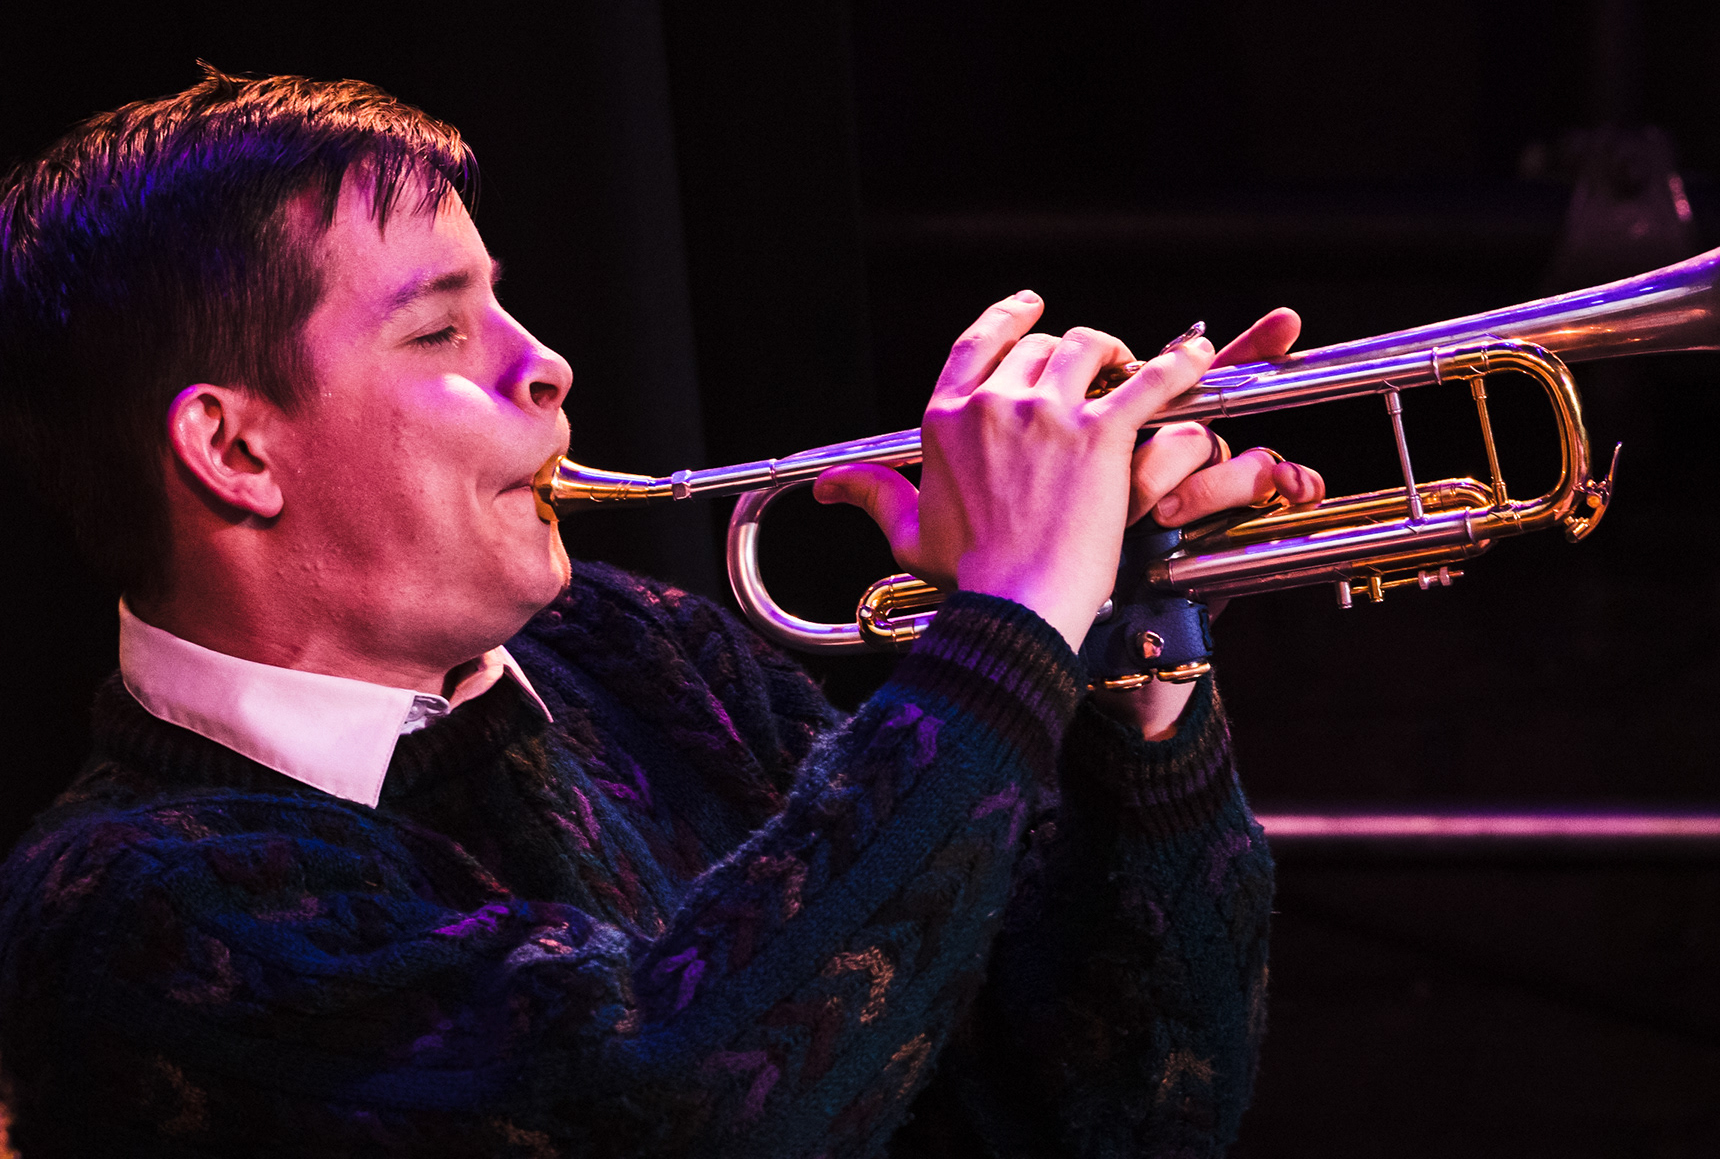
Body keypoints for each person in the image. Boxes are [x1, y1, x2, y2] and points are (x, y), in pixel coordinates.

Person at [0, 70, 1323, 1157]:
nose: (546, 364)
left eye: (502, 303)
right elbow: (670, 1106)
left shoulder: (639, 653)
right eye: (439, 333)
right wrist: (1012, 622)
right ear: (236, 450)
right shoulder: (130, 911)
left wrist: (1132, 646)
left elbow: (1118, 1115)